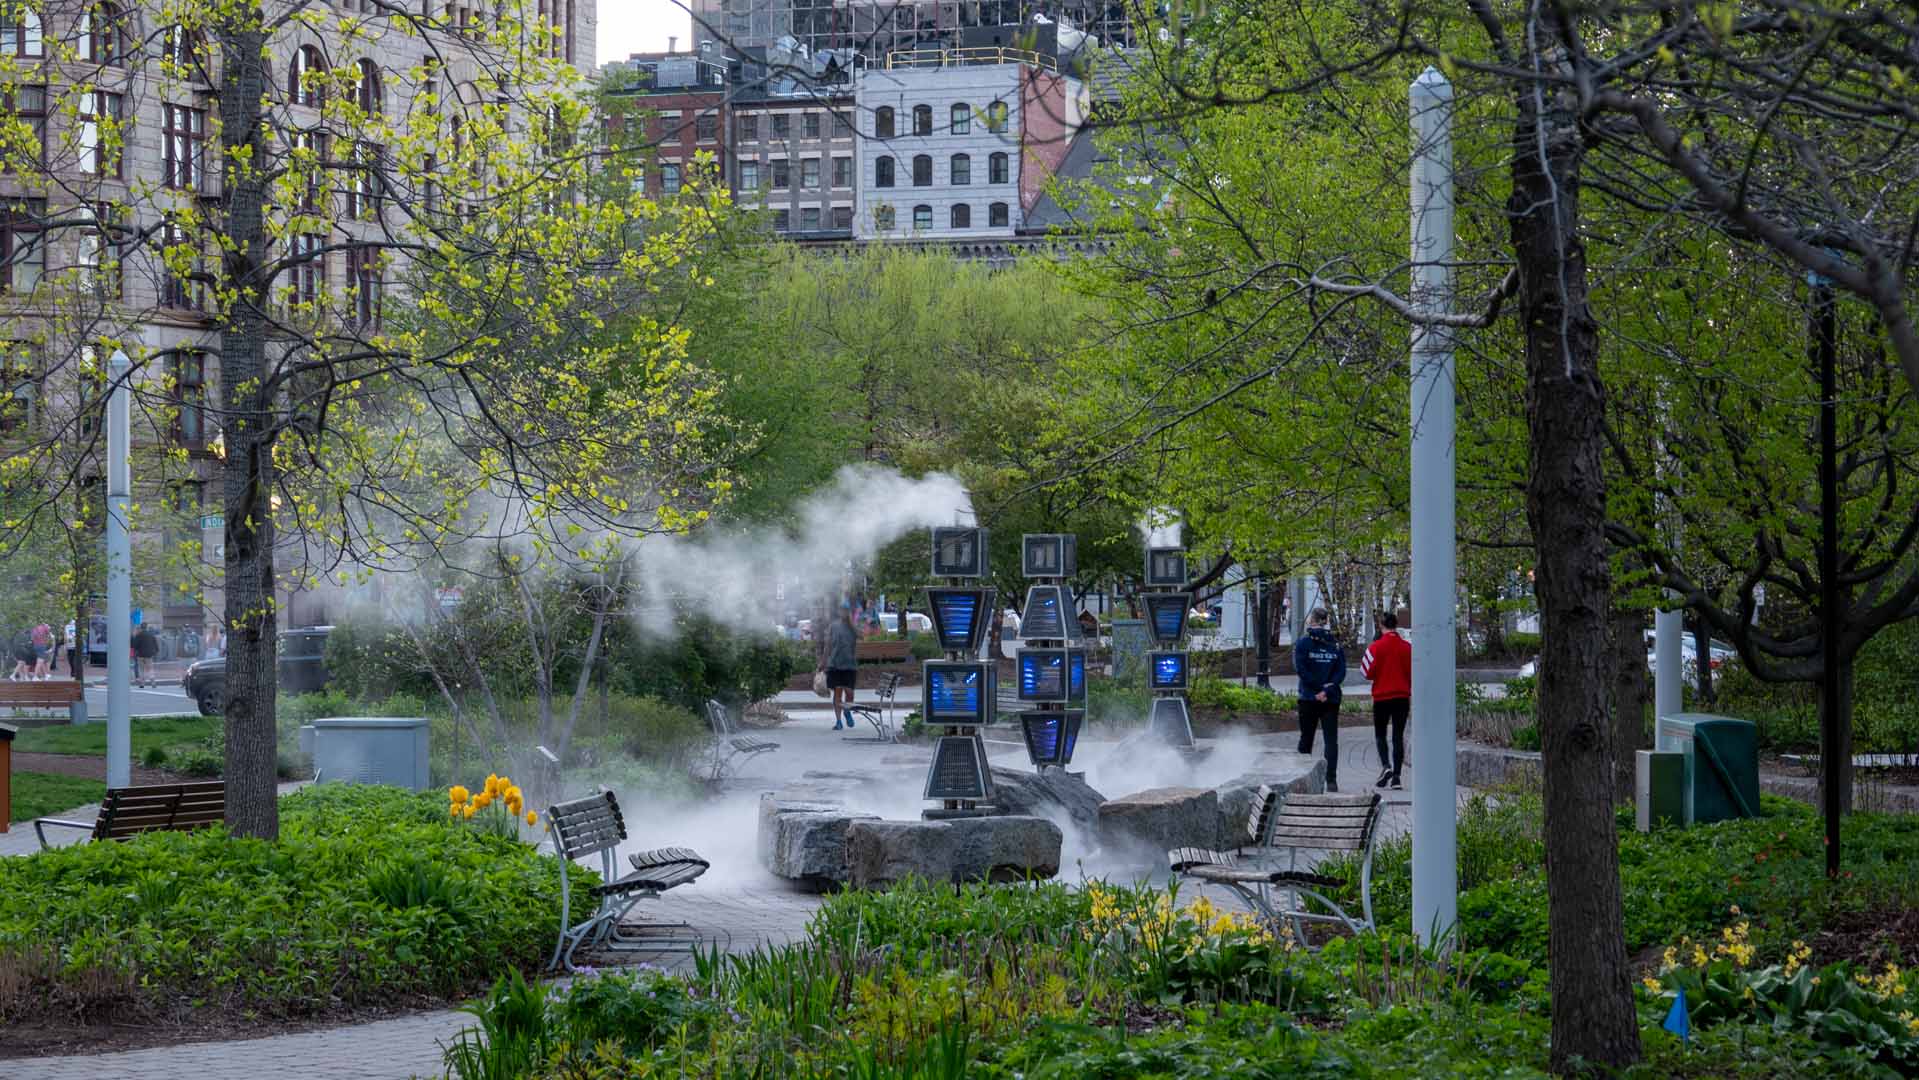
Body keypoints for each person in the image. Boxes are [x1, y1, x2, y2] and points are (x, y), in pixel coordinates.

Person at [1292, 608, 1347, 791]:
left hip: (1309, 697)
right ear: (1326, 620)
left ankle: (1301, 779)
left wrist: (1316, 689)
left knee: (1306, 739)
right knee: (1331, 740)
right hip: (1330, 699)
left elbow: (1301, 669)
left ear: (1312, 620)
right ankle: (1331, 780)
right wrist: (1327, 690)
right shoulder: (1336, 645)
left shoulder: (1303, 643)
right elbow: (1341, 672)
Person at [1362, 611, 1412, 790]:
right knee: (1398, 736)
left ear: (1381, 625)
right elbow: (1413, 673)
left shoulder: (1375, 647)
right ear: (1396, 625)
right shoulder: (1407, 647)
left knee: (1380, 734)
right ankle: (1397, 777)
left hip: (1382, 696)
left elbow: (1366, 671)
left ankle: (1386, 766)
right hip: (1401, 696)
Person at [822, 601, 859, 731]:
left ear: (849, 612)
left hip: (850, 665)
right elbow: (828, 645)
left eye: (846, 610)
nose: (843, 612)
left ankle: (847, 711)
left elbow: (861, 638)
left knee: (850, 693)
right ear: (839, 611)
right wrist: (823, 662)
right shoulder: (834, 626)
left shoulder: (853, 627)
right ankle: (838, 721)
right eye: (842, 610)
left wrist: (853, 624)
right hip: (835, 664)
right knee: (837, 693)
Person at [132, 623, 159, 687]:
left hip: (140, 655)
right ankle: (153, 682)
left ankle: (142, 683)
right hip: (149, 655)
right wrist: (155, 652)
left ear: (141, 628)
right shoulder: (151, 635)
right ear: (147, 627)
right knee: (150, 669)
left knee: (141, 669)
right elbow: (155, 644)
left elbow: (135, 645)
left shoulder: (138, 635)